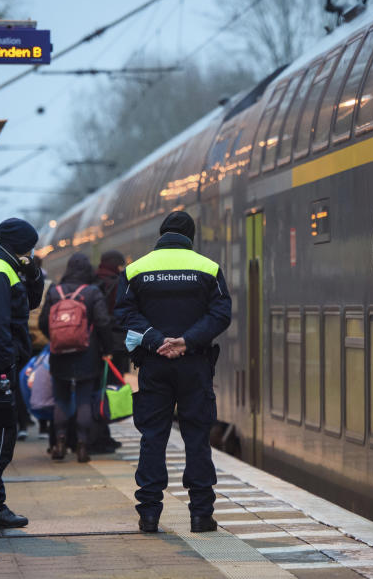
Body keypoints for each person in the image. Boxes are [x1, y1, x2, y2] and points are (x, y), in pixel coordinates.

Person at [115, 210, 231, 534]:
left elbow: (123, 314)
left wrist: (155, 339)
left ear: (161, 234)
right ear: (190, 237)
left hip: (154, 365)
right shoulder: (208, 268)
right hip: (194, 365)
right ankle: (201, 515)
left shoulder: (137, 269)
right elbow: (221, 314)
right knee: (197, 438)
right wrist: (187, 341)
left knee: (153, 438)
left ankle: (149, 514)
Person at [0, 217, 44, 529]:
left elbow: (30, 303)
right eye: (29, 247)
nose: (31, 251)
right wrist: (6, 368)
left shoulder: (7, 268)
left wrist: (33, 274)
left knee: (2, 435)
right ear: (19, 246)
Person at [38, 253, 113, 462]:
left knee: (60, 400)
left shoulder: (55, 292)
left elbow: (44, 322)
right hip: (86, 355)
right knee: (83, 400)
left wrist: (56, 339)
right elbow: (103, 322)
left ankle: (59, 442)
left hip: (59, 354)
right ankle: (82, 445)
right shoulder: (92, 292)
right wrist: (106, 348)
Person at [92, 249, 128, 454]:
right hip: (115, 344)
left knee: (98, 390)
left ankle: (101, 435)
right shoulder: (119, 283)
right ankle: (101, 436)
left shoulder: (92, 281)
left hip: (94, 345)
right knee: (110, 392)